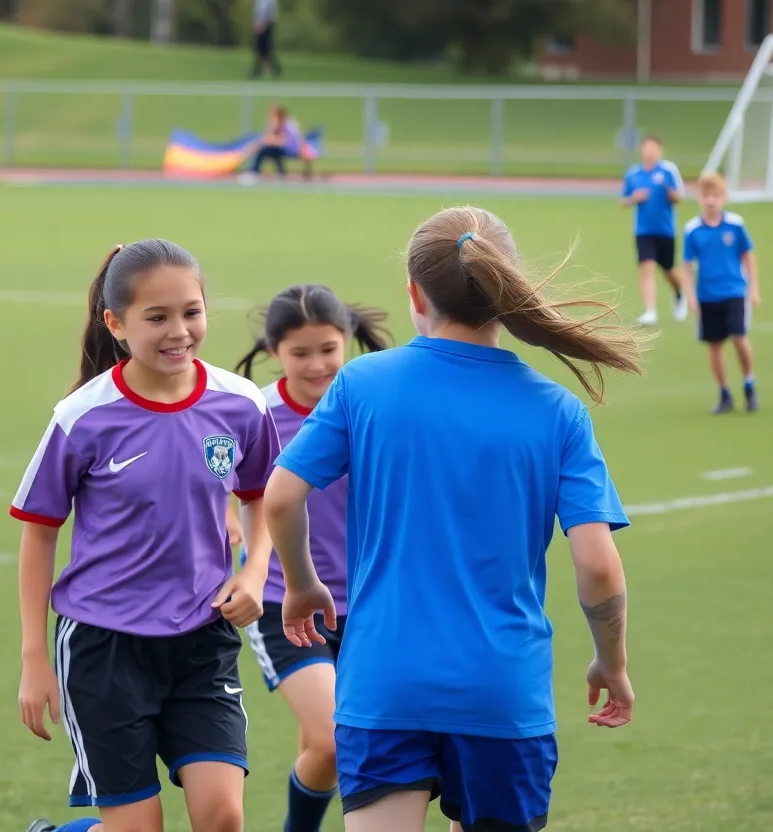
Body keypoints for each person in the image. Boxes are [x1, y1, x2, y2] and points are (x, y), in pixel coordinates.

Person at [262, 206, 641, 832]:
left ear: (414, 294)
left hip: (383, 685)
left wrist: (302, 585)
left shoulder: (363, 383)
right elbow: (598, 564)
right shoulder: (558, 411)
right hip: (501, 692)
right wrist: (612, 662)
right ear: (506, 289)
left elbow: (280, 497)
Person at [14, 240, 281, 832]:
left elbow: (263, 498)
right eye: (157, 317)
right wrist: (35, 658)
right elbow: (38, 534)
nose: (178, 330)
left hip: (201, 639)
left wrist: (254, 571)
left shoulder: (238, 403)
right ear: (116, 323)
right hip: (103, 648)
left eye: (191, 311)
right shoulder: (82, 416)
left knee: (223, 818)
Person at [232, 284, 391, 832]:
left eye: (329, 348)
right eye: (301, 353)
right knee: (332, 740)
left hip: (367, 602)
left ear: (346, 341)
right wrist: (229, 517)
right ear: (275, 350)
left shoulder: (368, 405)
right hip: (285, 599)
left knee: (319, 749)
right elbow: (224, 481)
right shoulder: (258, 413)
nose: (317, 363)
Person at [681, 173, 761, 415]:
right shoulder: (692, 230)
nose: (710, 201)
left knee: (739, 338)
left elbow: (748, 256)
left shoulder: (735, 224)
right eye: (706, 196)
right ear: (699, 199)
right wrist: (690, 295)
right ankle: (724, 392)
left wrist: (753, 288)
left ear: (723, 198)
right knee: (714, 346)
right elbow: (686, 266)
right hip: (707, 296)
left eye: (715, 196)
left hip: (735, 291)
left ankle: (748, 382)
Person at [622, 135, 687, 326]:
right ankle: (650, 311)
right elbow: (624, 200)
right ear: (642, 151)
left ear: (660, 151)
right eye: (646, 148)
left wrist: (671, 194)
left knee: (669, 271)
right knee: (646, 268)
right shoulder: (633, 174)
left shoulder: (668, 171)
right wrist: (634, 198)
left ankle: (679, 292)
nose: (650, 152)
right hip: (643, 231)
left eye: (654, 148)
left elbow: (679, 198)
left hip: (665, 231)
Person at [243, 104, 301, 183]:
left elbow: (282, 141)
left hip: (292, 149)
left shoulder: (288, 124)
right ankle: (281, 173)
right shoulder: (280, 123)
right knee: (271, 150)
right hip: (284, 148)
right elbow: (268, 136)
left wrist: (256, 145)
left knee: (264, 150)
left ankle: (253, 172)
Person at [250, 0, 281, 79]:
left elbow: (271, 13)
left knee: (266, 47)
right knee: (259, 47)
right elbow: (257, 12)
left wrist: (264, 24)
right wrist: (256, 23)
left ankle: (268, 69)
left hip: (267, 25)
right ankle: (261, 68)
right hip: (259, 25)